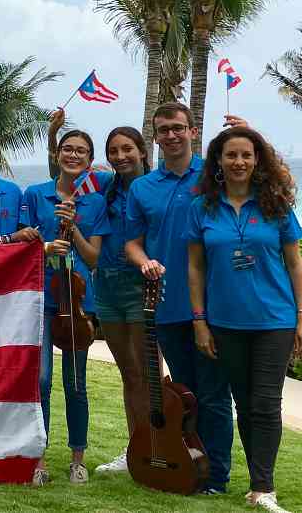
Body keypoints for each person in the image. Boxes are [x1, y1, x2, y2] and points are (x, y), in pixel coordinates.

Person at [186, 127, 302, 512]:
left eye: (246, 156)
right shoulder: (201, 208)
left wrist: (301, 315)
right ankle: (257, 483)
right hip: (225, 322)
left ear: (257, 161)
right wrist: (200, 320)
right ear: (217, 161)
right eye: (231, 155)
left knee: (266, 404)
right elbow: (195, 267)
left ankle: (263, 487)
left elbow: (294, 262)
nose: (239, 162)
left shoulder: (277, 205)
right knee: (244, 403)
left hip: (275, 319)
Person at [124, 102, 234, 494]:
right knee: (186, 396)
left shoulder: (214, 175)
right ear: (155, 137)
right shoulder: (142, 187)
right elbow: (132, 243)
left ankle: (217, 478)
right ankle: (192, 468)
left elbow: (263, 186)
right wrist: (144, 262)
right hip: (166, 306)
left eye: (177, 128)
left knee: (215, 394)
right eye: (163, 129)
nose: (170, 135)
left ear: (192, 131)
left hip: (214, 306)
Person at [20, 129, 110, 486]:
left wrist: (72, 231)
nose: (74, 156)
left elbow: (94, 257)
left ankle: (77, 458)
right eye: (67, 149)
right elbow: (22, 245)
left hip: (76, 303)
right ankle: (38, 457)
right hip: (41, 297)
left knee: (75, 383)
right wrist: (45, 246)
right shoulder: (34, 194)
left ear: (89, 160)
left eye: (82, 152)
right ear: (57, 154)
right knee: (40, 380)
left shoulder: (96, 200)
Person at [92, 127, 153, 475]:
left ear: (142, 150)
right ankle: (135, 450)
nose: (120, 156)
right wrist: (55, 137)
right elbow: (65, 176)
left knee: (149, 375)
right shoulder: (105, 186)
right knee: (129, 374)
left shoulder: (156, 186)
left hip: (143, 285)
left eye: (127, 149)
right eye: (113, 151)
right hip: (108, 288)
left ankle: (159, 445)